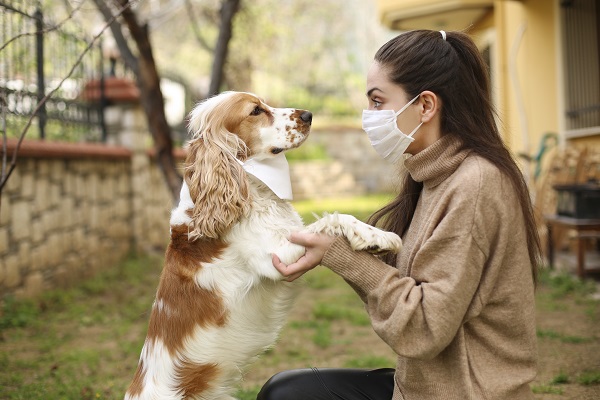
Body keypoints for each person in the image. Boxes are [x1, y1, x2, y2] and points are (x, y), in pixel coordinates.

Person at [257, 29, 542, 400]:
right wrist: (335, 244)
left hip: (467, 392)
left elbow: (423, 328)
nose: (368, 116)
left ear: (425, 106)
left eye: (378, 102)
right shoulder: (434, 174)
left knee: (287, 397)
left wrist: (340, 255)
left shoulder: (475, 184)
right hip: (422, 385)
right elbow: (407, 281)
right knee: (285, 390)